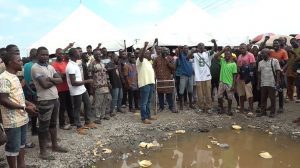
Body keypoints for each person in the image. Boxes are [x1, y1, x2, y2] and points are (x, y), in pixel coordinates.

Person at [0, 49, 37, 168]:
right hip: (12, 121)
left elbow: (17, 97)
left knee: (21, 145)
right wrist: (25, 108)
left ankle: (22, 166)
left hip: (21, 118)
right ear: (11, 62)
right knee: (12, 147)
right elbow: (4, 100)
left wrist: (28, 103)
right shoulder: (4, 78)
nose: (21, 62)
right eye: (19, 60)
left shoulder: (14, 76)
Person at [31, 47, 68, 160]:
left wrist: (49, 79)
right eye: (42, 54)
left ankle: (54, 145)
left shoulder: (50, 66)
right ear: (37, 55)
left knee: (53, 124)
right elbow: (44, 85)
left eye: (47, 54)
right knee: (43, 127)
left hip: (55, 98)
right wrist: (53, 80)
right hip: (44, 100)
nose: (45, 56)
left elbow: (61, 80)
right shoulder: (35, 68)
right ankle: (43, 152)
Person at [66, 48, 97, 135]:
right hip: (76, 91)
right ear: (73, 54)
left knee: (88, 104)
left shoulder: (76, 63)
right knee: (77, 109)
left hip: (82, 89)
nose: (80, 53)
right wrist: (88, 81)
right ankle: (79, 126)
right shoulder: (70, 66)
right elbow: (73, 82)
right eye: (77, 52)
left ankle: (87, 122)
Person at [191, 39, 218, 113]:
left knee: (208, 93)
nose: (201, 47)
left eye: (202, 46)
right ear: (198, 47)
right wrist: (193, 51)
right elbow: (188, 57)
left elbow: (215, 49)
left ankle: (209, 107)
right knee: (200, 94)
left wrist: (215, 42)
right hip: (198, 78)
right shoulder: (195, 54)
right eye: (199, 46)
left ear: (204, 47)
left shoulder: (207, 53)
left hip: (207, 77)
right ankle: (201, 107)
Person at [52, 48, 74, 130]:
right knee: (62, 107)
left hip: (67, 87)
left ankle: (72, 121)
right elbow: (59, 76)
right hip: (60, 89)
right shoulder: (54, 65)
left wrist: (64, 74)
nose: (61, 55)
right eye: (59, 54)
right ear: (56, 54)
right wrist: (65, 74)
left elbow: (65, 74)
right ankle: (62, 124)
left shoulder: (65, 62)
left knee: (70, 105)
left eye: (62, 54)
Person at [88, 49, 111, 124]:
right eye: (97, 54)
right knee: (98, 102)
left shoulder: (102, 63)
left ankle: (103, 115)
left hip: (105, 85)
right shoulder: (92, 64)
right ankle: (97, 117)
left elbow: (106, 73)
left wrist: (109, 82)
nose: (99, 55)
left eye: (100, 54)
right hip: (97, 86)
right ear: (94, 56)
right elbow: (90, 76)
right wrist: (91, 87)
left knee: (105, 101)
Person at [256, 49, 281, 117]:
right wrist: (258, 84)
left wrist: (277, 82)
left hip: (272, 83)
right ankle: (263, 112)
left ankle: (272, 112)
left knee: (272, 98)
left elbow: (278, 71)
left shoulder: (275, 61)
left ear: (268, 54)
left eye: (263, 53)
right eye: (261, 54)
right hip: (263, 83)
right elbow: (259, 73)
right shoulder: (260, 63)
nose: (262, 55)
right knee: (263, 98)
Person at [136, 42, 156, 124]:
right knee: (144, 102)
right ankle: (144, 118)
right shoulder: (139, 60)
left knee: (148, 101)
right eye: (146, 53)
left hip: (151, 83)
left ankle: (148, 116)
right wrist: (144, 47)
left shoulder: (149, 61)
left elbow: (151, 53)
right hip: (144, 83)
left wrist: (153, 45)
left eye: (149, 53)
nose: (149, 54)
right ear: (143, 54)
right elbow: (141, 55)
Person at [214, 47, 237, 115]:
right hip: (222, 82)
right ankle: (222, 108)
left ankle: (229, 110)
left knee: (229, 98)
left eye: (228, 54)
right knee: (219, 96)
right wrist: (223, 50)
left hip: (229, 83)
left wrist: (233, 85)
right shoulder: (222, 61)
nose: (227, 56)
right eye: (225, 54)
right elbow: (215, 56)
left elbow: (234, 75)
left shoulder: (233, 64)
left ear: (230, 55)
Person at [153, 47, 176, 113]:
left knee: (169, 93)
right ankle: (161, 107)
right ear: (161, 52)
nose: (165, 52)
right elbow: (153, 67)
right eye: (163, 51)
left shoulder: (170, 58)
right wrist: (155, 75)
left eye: (166, 51)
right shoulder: (157, 59)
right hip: (159, 78)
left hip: (168, 79)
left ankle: (171, 106)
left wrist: (168, 61)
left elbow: (173, 67)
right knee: (160, 94)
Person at [236, 43, 256, 114]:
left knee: (249, 95)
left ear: (246, 48)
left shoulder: (250, 55)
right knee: (241, 94)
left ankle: (251, 109)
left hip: (247, 78)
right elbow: (238, 66)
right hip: (240, 78)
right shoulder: (239, 56)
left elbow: (253, 65)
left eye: (243, 48)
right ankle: (241, 108)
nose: (242, 49)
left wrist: (247, 69)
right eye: (241, 48)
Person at [269, 39, 288, 113]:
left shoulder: (283, 52)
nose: (275, 45)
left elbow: (287, 63)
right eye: (274, 44)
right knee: (271, 90)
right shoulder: (271, 52)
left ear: (280, 44)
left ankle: (281, 107)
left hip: (280, 73)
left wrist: (282, 70)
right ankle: (272, 105)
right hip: (272, 73)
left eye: (276, 43)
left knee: (279, 90)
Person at [178, 45, 194, 110]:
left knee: (190, 90)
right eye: (185, 48)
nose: (186, 49)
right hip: (183, 76)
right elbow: (179, 54)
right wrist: (179, 49)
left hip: (190, 75)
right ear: (183, 49)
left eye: (187, 48)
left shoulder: (191, 56)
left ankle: (190, 104)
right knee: (181, 91)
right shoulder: (181, 55)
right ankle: (181, 105)